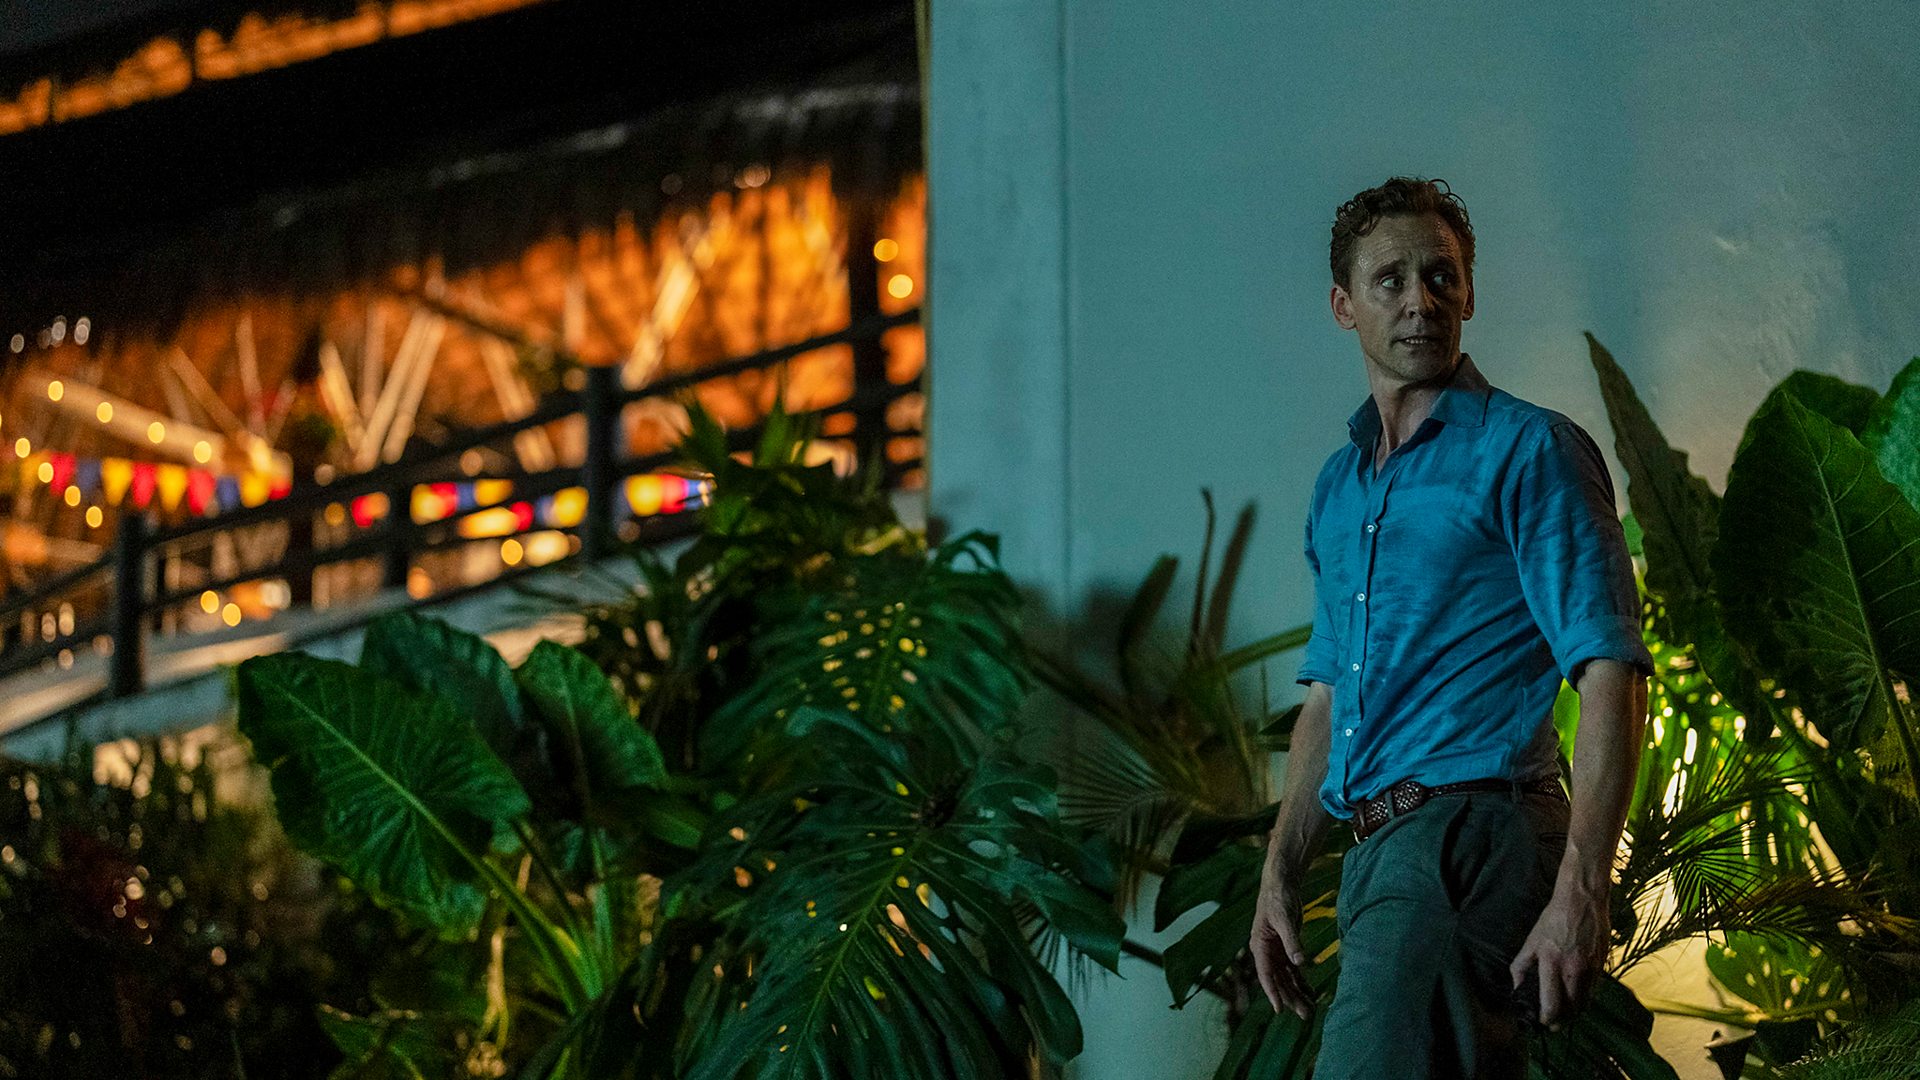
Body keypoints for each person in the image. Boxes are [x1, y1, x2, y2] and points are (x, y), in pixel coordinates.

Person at [1248, 177, 1654, 1079]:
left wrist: (1583, 890)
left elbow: (1611, 671)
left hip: (1472, 832)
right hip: (1379, 854)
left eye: (1441, 276)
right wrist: (1279, 874)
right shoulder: (1339, 486)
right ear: (1344, 307)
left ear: (1469, 294)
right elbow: (1328, 698)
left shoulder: (1530, 450)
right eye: (1389, 280)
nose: (1419, 300)